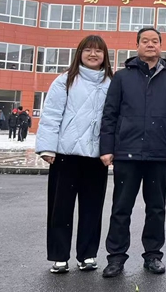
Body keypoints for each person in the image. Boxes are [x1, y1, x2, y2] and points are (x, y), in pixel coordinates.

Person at [99, 27, 166, 278]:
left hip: (159, 153)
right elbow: (110, 114)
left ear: (161, 46)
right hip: (127, 152)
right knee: (121, 208)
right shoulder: (122, 77)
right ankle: (116, 257)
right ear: (137, 45)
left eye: (154, 41)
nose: (150, 44)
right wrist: (107, 148)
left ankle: (153, 255)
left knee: (156, 208)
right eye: (145, 41)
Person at [35, 35, 114, 274]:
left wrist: (112, 150)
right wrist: (47, 147)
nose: (93, 54)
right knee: (60, 208)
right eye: (88, 50)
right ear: (79, 53)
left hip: (96, 157)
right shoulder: (65, 80)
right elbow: (51, 115)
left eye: (98, 51)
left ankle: (87, 255)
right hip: (65, 155)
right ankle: (59, 256)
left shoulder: (112, 83)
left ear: (105, 56)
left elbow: (115, 119)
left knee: (92, 209)